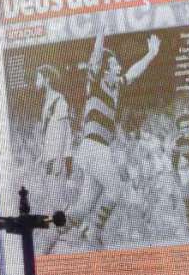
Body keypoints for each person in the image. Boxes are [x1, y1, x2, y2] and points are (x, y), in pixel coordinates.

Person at [50, 25, 161, 250]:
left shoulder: (115, 87)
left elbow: (134, 72)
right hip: (93, 148)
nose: (119, 68)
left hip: (98, 150)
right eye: (114, 65)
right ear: (104, 70)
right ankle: (95, 232)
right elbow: (96, 55)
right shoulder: (96, 84)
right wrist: (100, 32)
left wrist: (151, 54)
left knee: (83, 207)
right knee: (117, 189)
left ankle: (49, 240)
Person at [34, 64, 73, 182]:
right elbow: (50, 132)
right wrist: (43, 155)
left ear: (47, 80)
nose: (36, 82)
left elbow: (63, 133)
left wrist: (59, 160)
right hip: (51, 156)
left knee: (58, 196)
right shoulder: (47, 101)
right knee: (51, 195)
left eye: (38, 78)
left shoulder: (59, 100)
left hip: (60, 158)